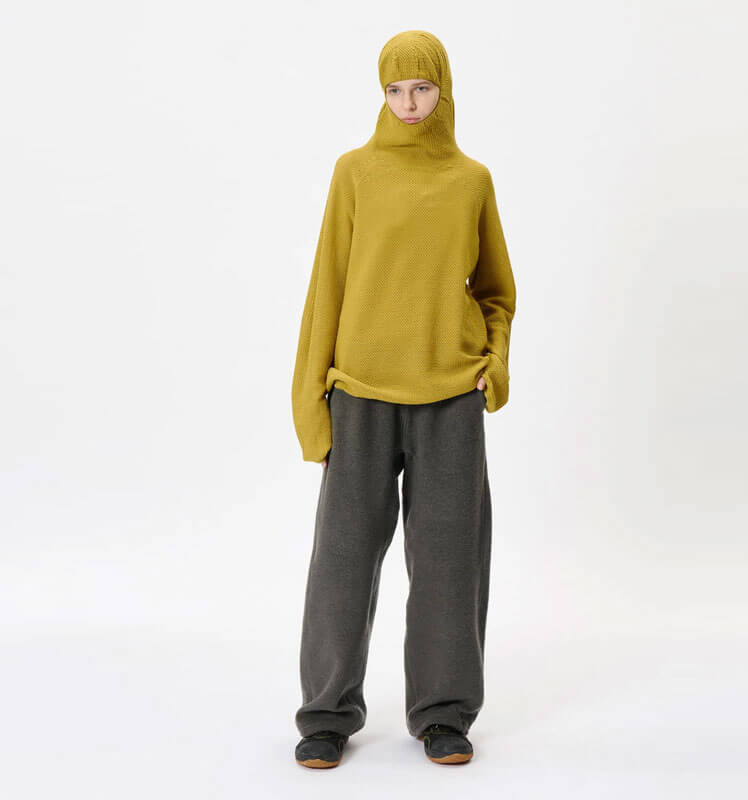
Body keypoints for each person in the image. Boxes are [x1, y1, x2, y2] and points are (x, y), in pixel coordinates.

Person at [291, 29, 516, 768]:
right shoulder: (355, 172)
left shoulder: (471, 180)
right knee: (343, 559)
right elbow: (327, 284)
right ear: (382, 93)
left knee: (451, 560)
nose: (409, 102)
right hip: (359, 391)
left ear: (443, 90)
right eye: (395, 89)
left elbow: (496, 291)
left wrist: (494, 366)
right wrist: (310, 400)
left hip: (450, 392)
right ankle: (326, 714)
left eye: (422, 88)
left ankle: (444, 714)